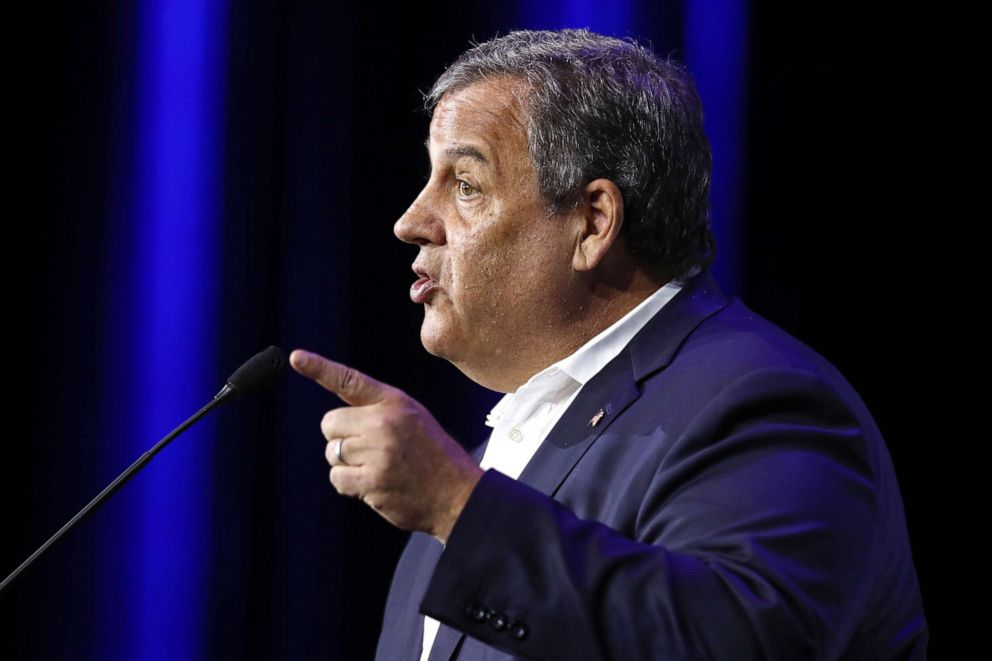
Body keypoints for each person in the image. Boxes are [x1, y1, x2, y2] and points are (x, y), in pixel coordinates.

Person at [289, 29, 928, 660]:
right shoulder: (490, 460)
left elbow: (739, 642)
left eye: (465, 185)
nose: (409, 223)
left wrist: (459, 506)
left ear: (593, 223)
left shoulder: (761, 401)